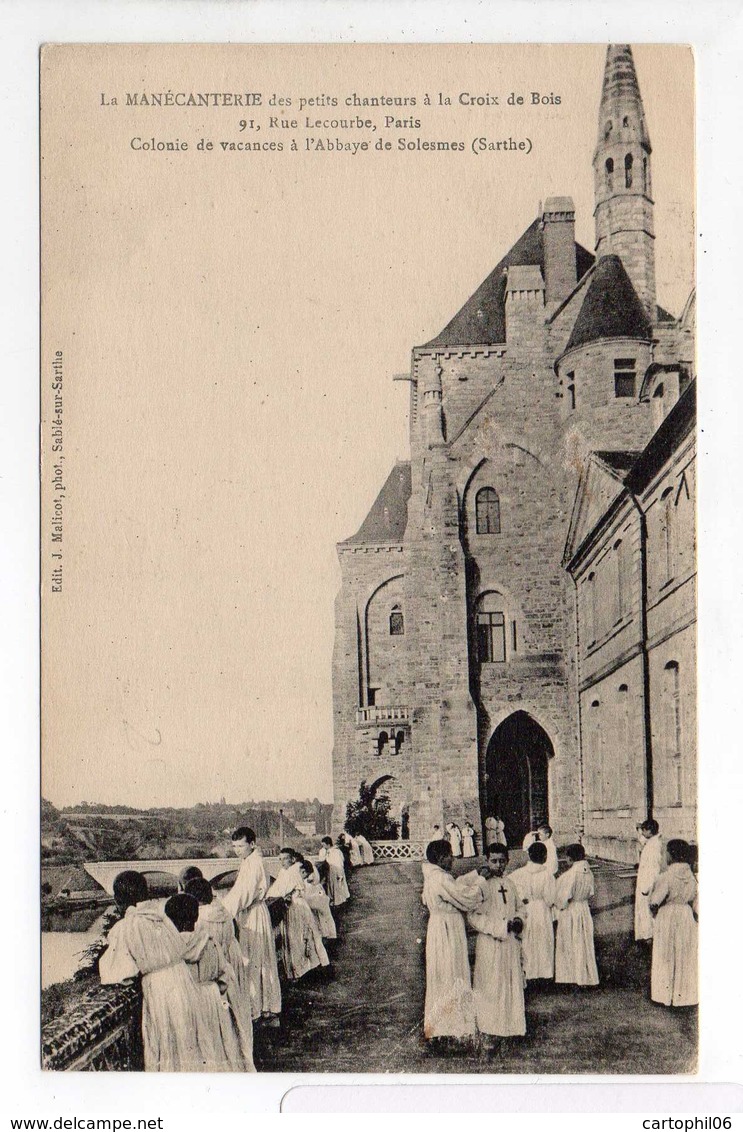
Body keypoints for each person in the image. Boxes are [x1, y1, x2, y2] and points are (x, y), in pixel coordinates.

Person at [99, 870, 205, 1072]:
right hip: (183, 979)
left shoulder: (126, 926)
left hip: (160, 989)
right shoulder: (161, 916)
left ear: (119, 899)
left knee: (167, 1046)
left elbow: (118, 971)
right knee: (189, 1045)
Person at [164, 893, 248, 1072]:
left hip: (185, 1008)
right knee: (218, 1049)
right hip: (212, 1005)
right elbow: (224, 975)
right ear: (196, 917)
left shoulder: (170, 950)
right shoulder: (210, 943)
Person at [185, 876, 255, 1070]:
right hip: (229, 970)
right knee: (235, 1022)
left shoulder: (199, 920)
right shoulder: (223, 911)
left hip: (212, 975)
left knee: (218, 1031)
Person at [420, 839, 483, 1043]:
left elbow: (455, 885)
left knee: (442, 974)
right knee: (452, 973)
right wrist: (481, 881)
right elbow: (465, 898)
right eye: (449, 855)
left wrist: (475, 875)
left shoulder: (434, 876)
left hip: (439, 928)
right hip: (448, 930)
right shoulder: (441, 879)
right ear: (440, 858)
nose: (453, 859)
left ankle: (441, 1025)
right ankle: (452, 1027)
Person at [221, 826, 281, 1022]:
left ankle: (258, 1008)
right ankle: (264, 1006)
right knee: (259, 959)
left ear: (252, 844)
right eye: (234, 846)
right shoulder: (249, 861)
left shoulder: (254, 864)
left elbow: (243, 894)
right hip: (252, 911)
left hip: (253, 913)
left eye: (241, 846)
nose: (237, 850)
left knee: (253, 960)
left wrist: (222, 911)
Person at [467, 845, 526, 1040]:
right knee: (491, 984)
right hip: (490, 942)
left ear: (507, 861)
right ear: (487, 861)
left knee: (510, 982)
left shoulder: (510, 883)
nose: (498, 865)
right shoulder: (482, 885)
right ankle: (489, 1026)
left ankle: (511, 1026)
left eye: (502, 861)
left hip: (509, 943)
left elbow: (520, 907)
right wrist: (500, 926)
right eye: (494, 861)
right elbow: (473, 916)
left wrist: (518, 920)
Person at [649, 839, 698, 1007]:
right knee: (685, 954)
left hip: (668, 915)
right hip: (685, 915)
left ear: (670, 854)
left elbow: (655, 901)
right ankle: (685, 996)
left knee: (665, 954)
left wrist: (653, 910)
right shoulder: (691, 876)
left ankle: (664, 994)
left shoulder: (666, 876)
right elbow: (696, 901)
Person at [554, 844, 599, 987]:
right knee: (584, 943)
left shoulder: (570, 875)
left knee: (571, 942)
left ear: (569, 858)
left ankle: (572, 977)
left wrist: (559, 906)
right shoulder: (589, 873)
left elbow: (563, 898)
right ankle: (586, 977)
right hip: (584, 909)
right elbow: (591, 893)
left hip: (571, 910)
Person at [510, 842, 557, 981]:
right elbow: (550, 899)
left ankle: (527, 973)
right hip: (542, 910)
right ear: (545, 856)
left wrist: (521, 900)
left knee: (527, 941)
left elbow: (511, 888)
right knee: (543, 941)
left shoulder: (518, 873)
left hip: (526, 909)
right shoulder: (548, 875)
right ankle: (544, 973)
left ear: (529, 856)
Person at [635, 819, 664, 942]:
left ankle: (649, 937)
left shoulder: (654, 846)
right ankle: (647, 935)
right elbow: (642, 841)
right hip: (645, 881)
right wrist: (638, 829)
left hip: (647, 883)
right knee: (645, 911)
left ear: (650, 831)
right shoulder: (653, 841)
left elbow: (654, 869)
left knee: (647, 910)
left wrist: (647, 887)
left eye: (644, 830)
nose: (642, 833)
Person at [299, 859, 337, 941]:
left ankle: (326, 933)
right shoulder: (311, 871)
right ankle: (329, 933)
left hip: (315, 895)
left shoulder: (307, 878)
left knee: (321, 914)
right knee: (324, 915)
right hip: (319, 893)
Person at [319, 836, 350, 908]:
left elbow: (337, 861)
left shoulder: (334, 852)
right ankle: (339, 900)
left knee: (337, 886)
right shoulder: (335, 851)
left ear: (328, 844)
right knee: (336, 886)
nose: (323, 847)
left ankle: (338, 902)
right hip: (335, 870)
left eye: (324, 845)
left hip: (336, 870)